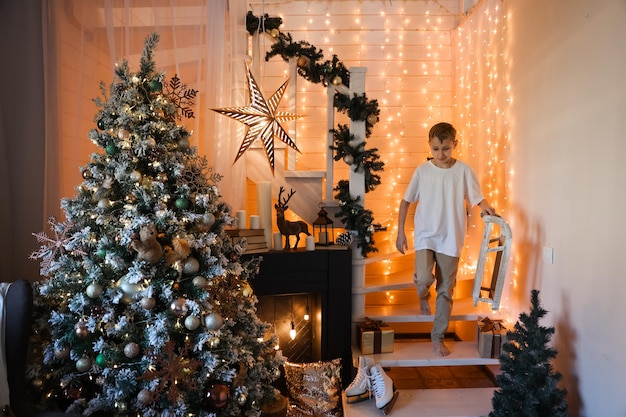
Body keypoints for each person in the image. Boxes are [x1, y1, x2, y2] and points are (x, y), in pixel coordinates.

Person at [396, 122, 495, 357]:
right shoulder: (423, 171)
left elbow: (477, 196)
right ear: (430, 146)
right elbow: (406, 201)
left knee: (446, 289)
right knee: (422, 279)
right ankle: (423, 295)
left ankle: (437, 336)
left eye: (446, 149)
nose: (441, 154)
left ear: (455, 145)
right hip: (425, 234)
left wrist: (487, 207)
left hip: (451, 236)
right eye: (436, 149)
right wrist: (400, 232)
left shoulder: (463, 171)